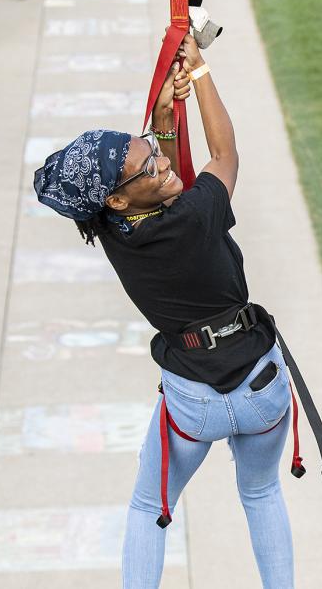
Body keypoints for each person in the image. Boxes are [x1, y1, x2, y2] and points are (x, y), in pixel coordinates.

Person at [34, 34, 295, 588]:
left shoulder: (110, 226)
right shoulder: (198, 213)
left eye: (151, 148)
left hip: (193, 403)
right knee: (262, 492)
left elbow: (147, 171)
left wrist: (159, 111)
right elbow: (224, 155)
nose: (161, 162)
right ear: (119, 198)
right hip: (261, 383)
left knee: (147, 508)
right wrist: (198, 74)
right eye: (147, 165)